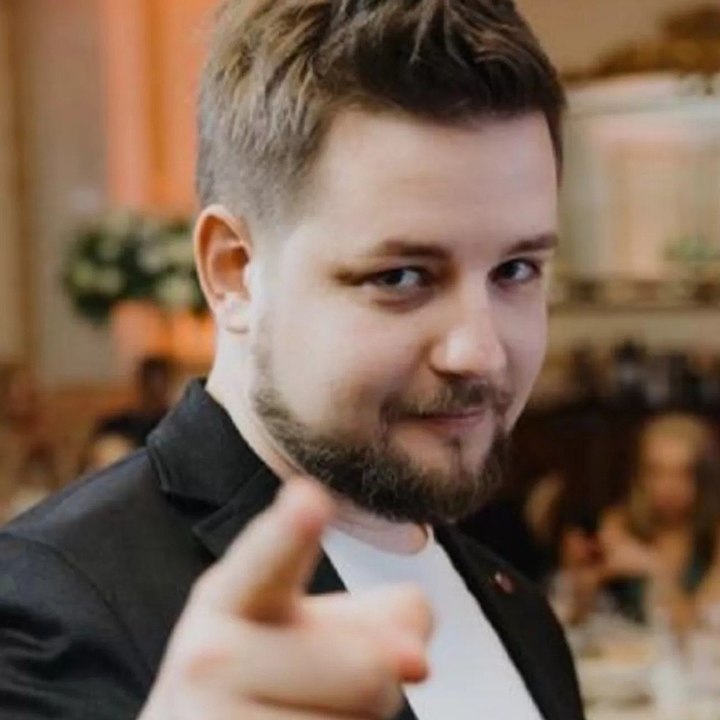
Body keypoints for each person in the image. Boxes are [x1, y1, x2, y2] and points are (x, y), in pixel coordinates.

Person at [0, 1, 583, 719]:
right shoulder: (48, 600)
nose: (480, 353)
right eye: (402, 277)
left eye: (516, 270)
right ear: (234, 272)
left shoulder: (521, 611)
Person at [595, 413, 720, 631]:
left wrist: (656, 569)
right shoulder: (620, 522)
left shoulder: (714, 529)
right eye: (656, 472)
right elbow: (580, 612)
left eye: (683, 473)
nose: (668, 487)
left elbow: (699, 627)